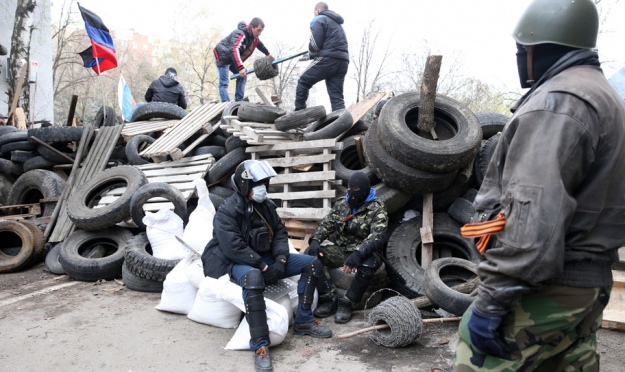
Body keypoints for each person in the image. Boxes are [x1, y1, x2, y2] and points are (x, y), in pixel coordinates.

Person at [453, 0, 625, 370]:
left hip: (543, 288)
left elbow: (532, 221)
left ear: (536, 48)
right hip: (588, 284)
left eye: (522, 49)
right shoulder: (606, 97)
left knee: (474, 360)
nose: (520, 57)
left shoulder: (556, 103)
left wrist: (491, 301)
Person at [201, 160, 332, 372]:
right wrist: (262, 267)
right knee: (253, 279)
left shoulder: (266, 206)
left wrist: (280, 261)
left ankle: (304, 322)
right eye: (258, 184)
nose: (263, 187)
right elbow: (233, 247)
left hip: (267, 258)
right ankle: (260, 345)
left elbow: (280, 233)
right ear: (244, 186)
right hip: (238, 262)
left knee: (312, 264)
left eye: (264, 183)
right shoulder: (227, 211)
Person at [305, 172, 388, 323]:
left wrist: (358, 254)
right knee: (311, 256)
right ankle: (329, 299)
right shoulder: (342, 204)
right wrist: (315, 241)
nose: (351, 193)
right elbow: (326, 224)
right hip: (342, 249)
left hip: (366, 252)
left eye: (355, 189)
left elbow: (378, 236)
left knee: (367, 266)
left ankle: (347, 303)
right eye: (349, 188)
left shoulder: (377, 209)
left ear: (364, 190)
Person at [294, 2, 349, 112]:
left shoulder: (319, 19)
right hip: (343, 61)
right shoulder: (336, 23)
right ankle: (343, 123)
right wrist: (311, 55)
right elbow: (328, 43)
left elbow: (315, 45)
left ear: (317, 10)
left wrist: (311, 51)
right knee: (336, 97)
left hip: (328, 59)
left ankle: (298, 115)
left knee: (303, 81)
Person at [214, 18, 270, 102]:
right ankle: (226, 105)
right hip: (222, 56)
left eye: (261, 31)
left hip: (232, 57)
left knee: (243, 76)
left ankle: (239, 101)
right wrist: (240, 67)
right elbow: (234, 49)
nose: (260, 33)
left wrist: (268, 55)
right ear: (252, 27)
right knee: (224, 83)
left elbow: (260, 45)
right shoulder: (241, 33)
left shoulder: (253, 37)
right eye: (258, 30)